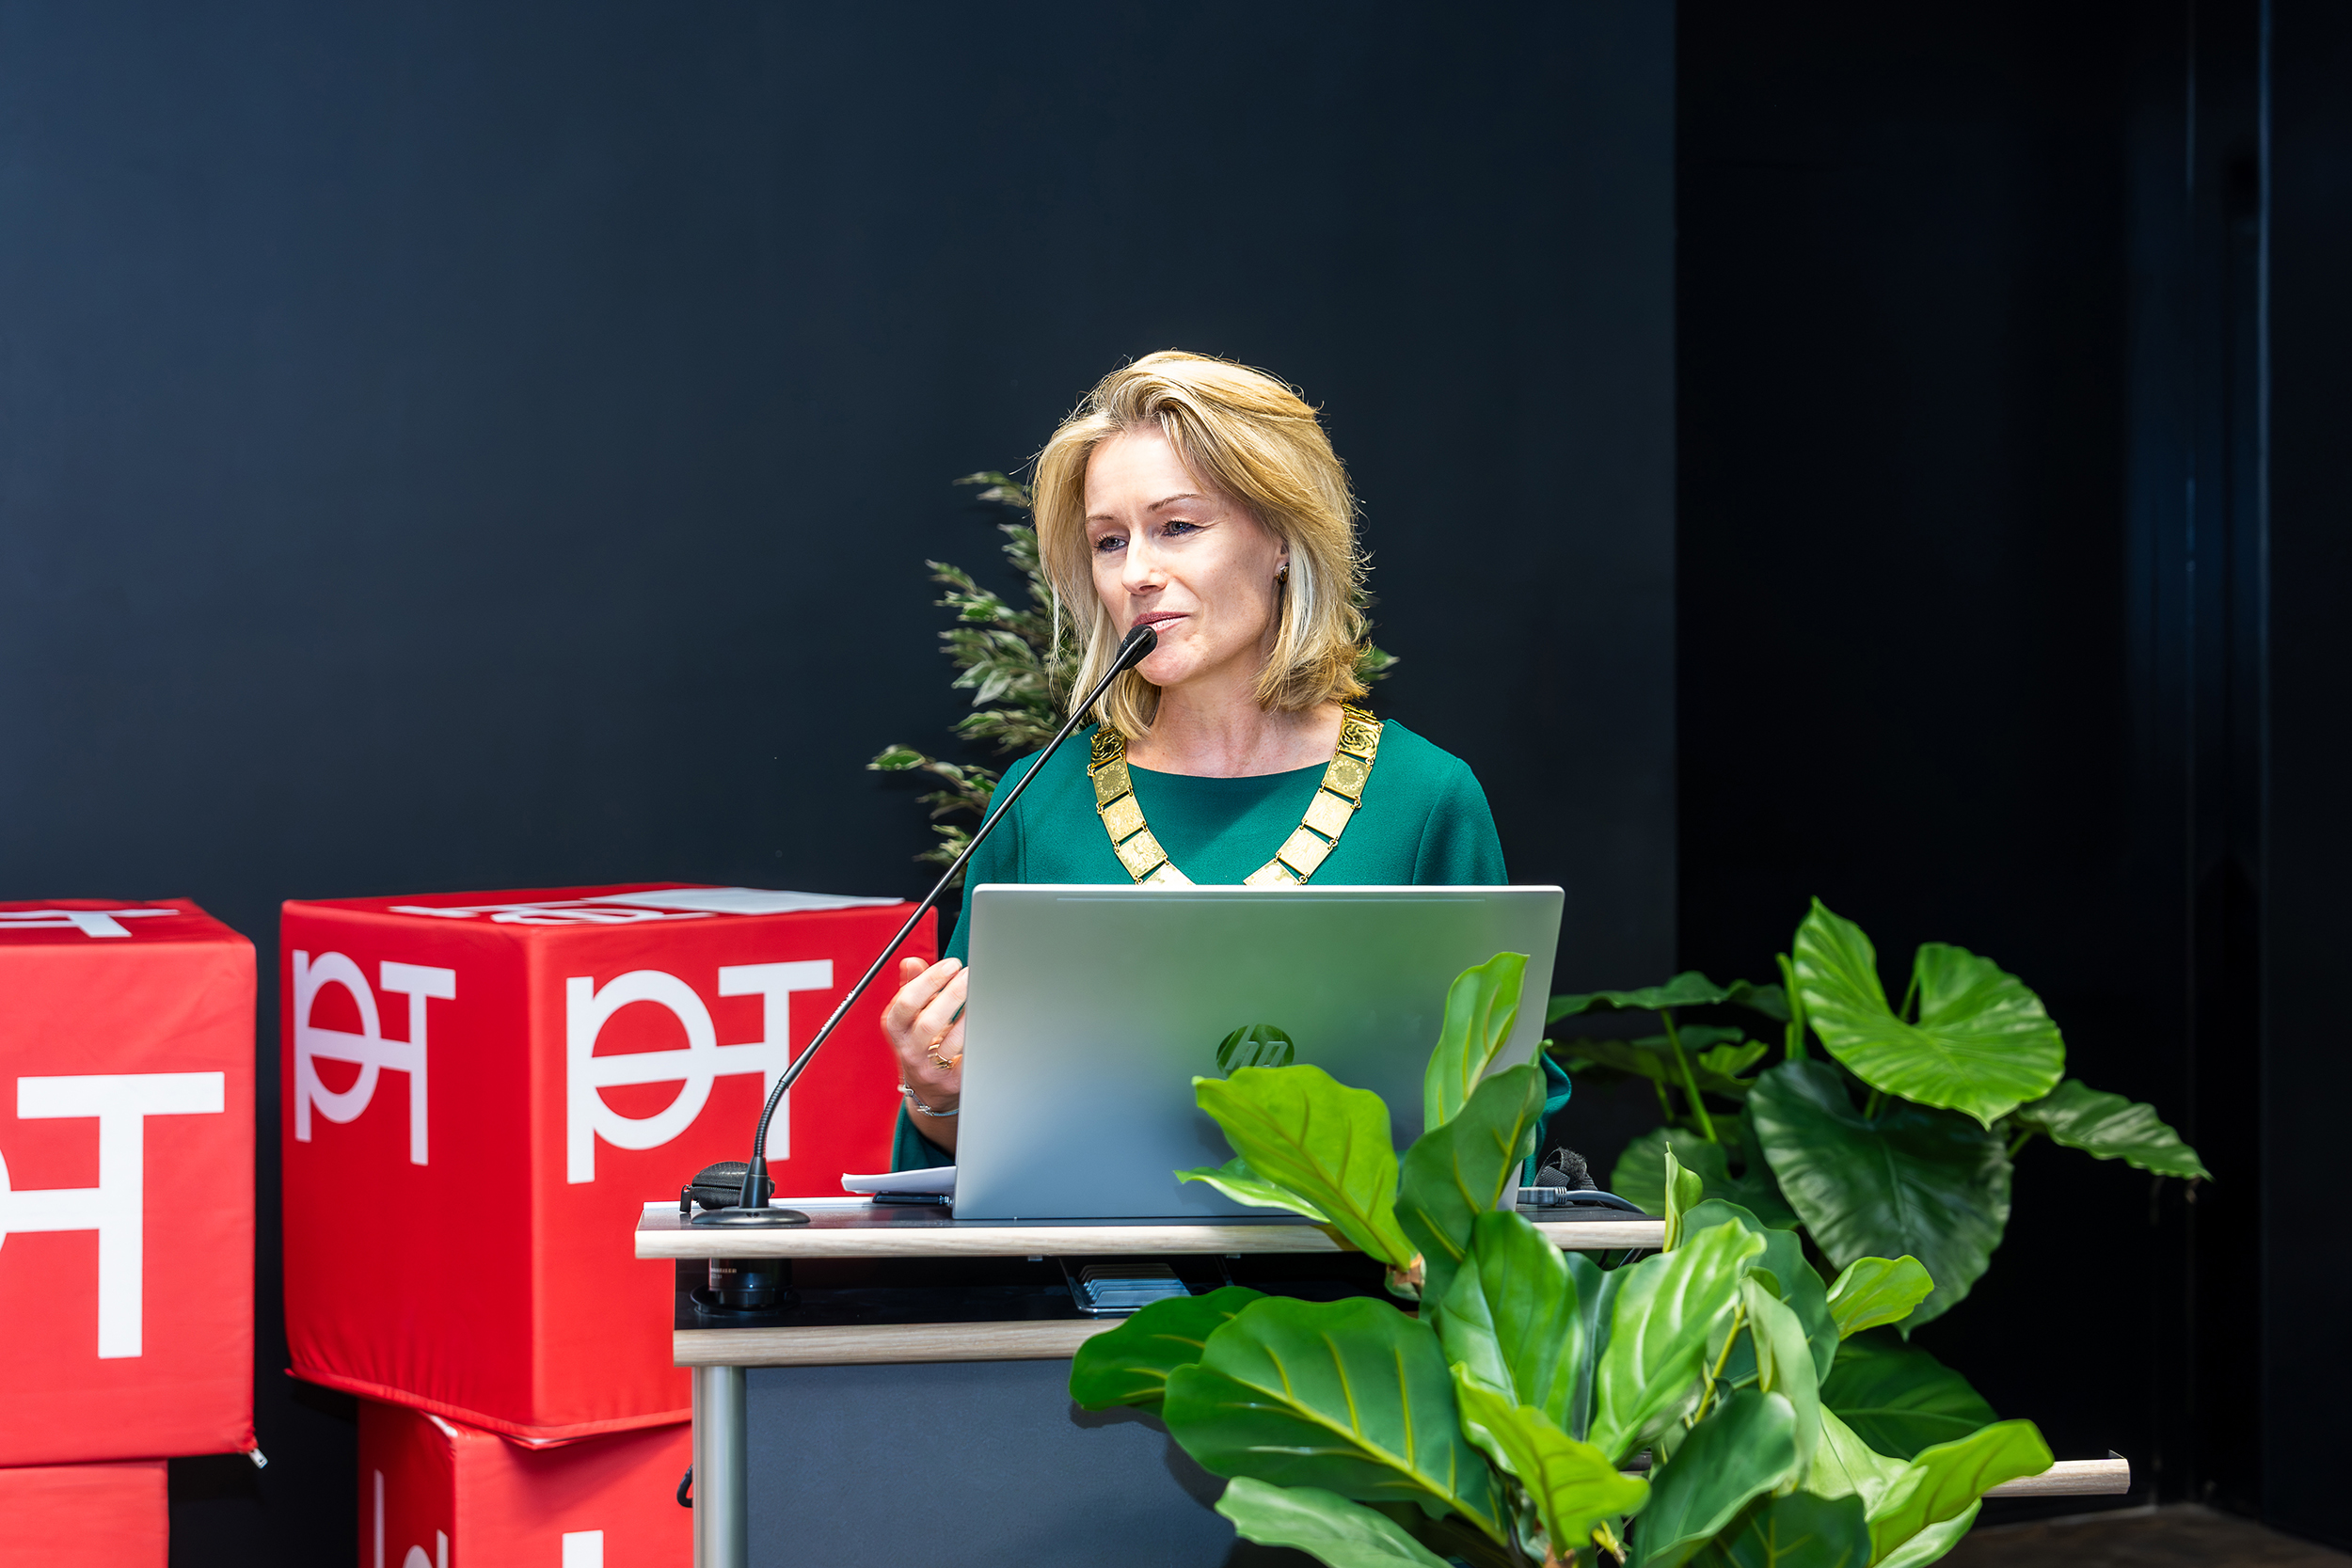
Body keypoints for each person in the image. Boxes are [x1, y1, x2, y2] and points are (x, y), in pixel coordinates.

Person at [881, 350, 1559, 1169]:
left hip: (1353, 1259)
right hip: (1083, 1261)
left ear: (1281, 538)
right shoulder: (1036, 802)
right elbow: (967, 1167)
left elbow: (1497, 1139)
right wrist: (938, 1095)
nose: (1137, 573)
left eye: (1177, 527)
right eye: (1109, 541)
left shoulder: (1425, 800)